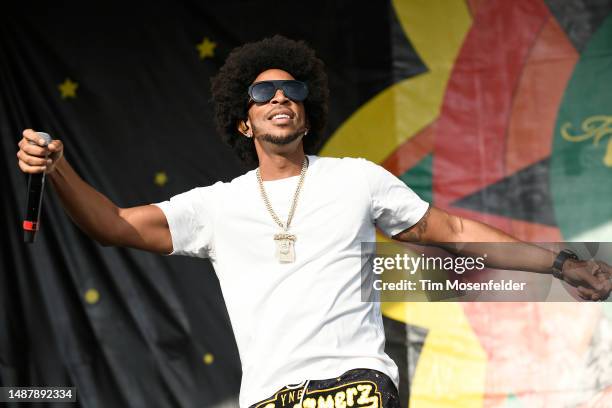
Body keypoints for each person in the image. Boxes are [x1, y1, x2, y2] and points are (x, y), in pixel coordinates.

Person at [16, 35, 611, 408]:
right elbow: (116, 224)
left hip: (357, 388)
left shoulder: (356, 178)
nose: (281, 97)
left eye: (292, 88)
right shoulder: (216, 206)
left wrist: (558, 262)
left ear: (307, 108)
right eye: (264, 92)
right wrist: (58, 168)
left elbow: (453, 234)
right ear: (243, 121)